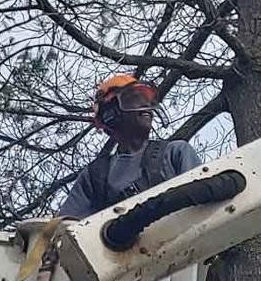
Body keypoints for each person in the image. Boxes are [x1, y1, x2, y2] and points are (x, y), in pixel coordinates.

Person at [60, 74, 201, 219]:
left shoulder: (175, 153)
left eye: (146, 102)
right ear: (111, 115)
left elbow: (203, 204)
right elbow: (63, 230)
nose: (145, 108)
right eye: (134, 100)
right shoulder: (95, 176)